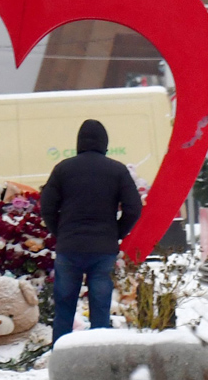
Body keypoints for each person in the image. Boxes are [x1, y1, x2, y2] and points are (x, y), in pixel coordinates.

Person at [41, 119, 143, 341]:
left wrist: (60, 232)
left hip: (69, 248)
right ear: (104, 143)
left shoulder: (62, 169)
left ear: (79, 142)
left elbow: (47, 207)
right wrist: (116, 232)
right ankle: (98, 359)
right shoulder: (117, 170)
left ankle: (61, 358)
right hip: (103, 250)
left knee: (64, 310)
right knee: (100, 310)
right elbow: (134, 208)